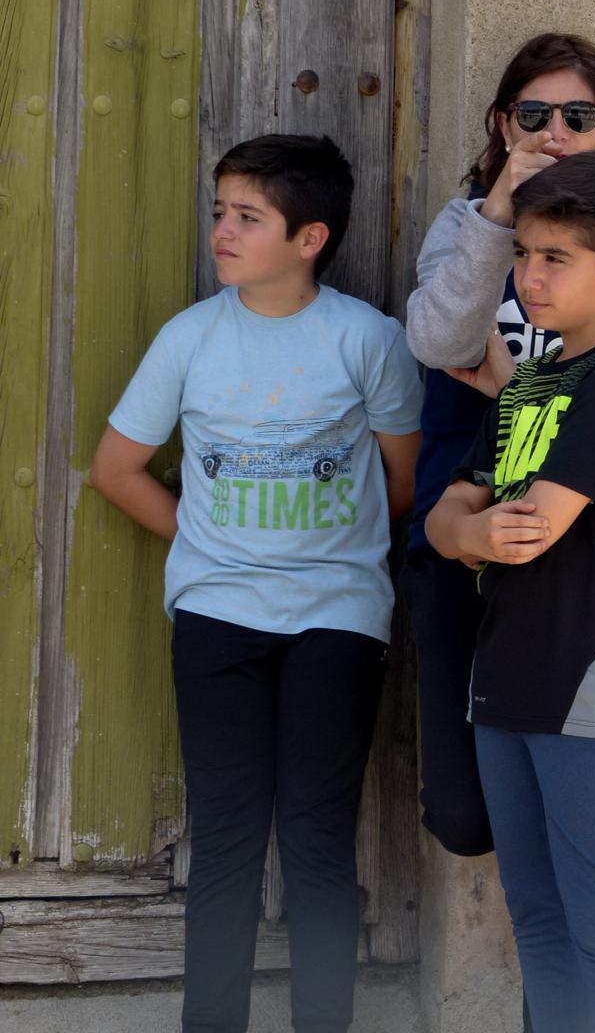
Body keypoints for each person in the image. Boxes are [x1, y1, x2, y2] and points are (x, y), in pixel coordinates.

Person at [90, 134, 423, 1033]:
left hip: (337, 619)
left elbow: (402, 481)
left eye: (248, 216)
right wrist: (212, 544)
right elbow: (116, 470)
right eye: (220, 212)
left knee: (317, 836)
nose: (223, 232)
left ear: (310, 238)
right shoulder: (190, 339)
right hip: (217, 617)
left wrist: (331, 550)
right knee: (229, 838)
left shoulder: (367, 340)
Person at [403, 32, 595, 858]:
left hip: (581, 552)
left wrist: (518, 392)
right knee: (465, 814)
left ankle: (567, 938)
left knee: (563, 808)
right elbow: (436, 342)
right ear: (504, 126)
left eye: (578, 115)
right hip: (460, 529)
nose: (555, 133)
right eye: (533, 115)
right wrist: (500, 215)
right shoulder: (467, 225)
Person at [425, 152, 595, 1032]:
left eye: (556, 259)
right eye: (524, 255)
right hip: (505, 683)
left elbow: (530, 526)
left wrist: (473, 529)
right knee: (537, 919)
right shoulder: (530, 383)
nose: (530, 277)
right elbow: (449, 518)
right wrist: (469, 531)